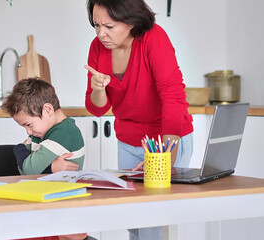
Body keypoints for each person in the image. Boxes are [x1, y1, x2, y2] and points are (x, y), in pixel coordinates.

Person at [84, 0, 194, 239]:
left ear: (131, 22)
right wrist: (98, 88)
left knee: (152, 221)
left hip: (166, 139)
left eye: (109, 26)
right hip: (128, 140)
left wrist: (165, 156)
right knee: (135, 220)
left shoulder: (153, 38)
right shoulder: (97, 47)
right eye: (96, 25)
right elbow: (97, 109)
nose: (100, 33)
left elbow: (173, 96)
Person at [1, 78, 89, 240]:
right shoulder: (42, 132)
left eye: (29, 124)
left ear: (47, 110)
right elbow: (25, 171)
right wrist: (50, 169)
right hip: (44, 207)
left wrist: (18, 148)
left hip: (61, 215)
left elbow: (28, 169)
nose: (28, 132)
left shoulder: (65, 133)